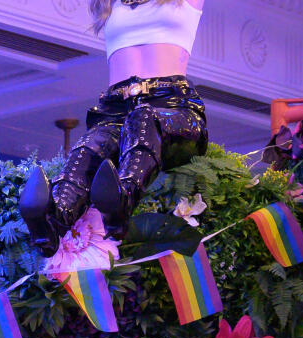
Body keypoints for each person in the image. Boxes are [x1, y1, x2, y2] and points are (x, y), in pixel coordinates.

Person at [19, 0, 208, 254]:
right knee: (87, 150)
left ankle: (123, 197)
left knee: (144, 118)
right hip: (114, 109)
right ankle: (53, 219)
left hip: (172, 108)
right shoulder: (109, 2)